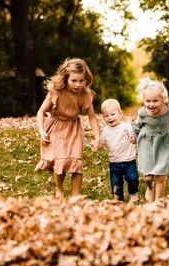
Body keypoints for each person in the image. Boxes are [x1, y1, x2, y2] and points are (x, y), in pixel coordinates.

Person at [35, 57, 101, 198]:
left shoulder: (85, 94)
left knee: (76, 159)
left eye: (81, 81)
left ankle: (76, 196)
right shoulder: (56, 91)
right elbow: (41, 112)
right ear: (66, 78)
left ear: (86, 79)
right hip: (57, 127)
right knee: (61, 160)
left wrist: (97, 137)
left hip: (73, 128)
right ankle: (59, 189)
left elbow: (92, 117)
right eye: (74, 81)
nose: (78, 85)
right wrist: (41, 130)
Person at [133, 77, 169, 202]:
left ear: (163, 99)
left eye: (155, 101)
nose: (151, 104)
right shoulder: (142, 113)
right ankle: (149, 188)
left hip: (164, 144)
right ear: (143, 100)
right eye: (148, 101)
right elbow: (136, 126)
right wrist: (133, 136)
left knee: (161, 176)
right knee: (148, 177)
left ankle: (158, 200)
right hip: (146, 143)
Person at [98, 97, 139, 201]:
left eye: (113, 114)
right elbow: (101, 143)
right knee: (116, 183)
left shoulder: (126, 126)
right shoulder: (105, 131)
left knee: (132, 179)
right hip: (114, 162)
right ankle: (118, 200)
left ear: (120, 114)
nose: (109, 118)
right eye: (106, 115)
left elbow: (133, 136)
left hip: (129, 160)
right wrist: (96, 144)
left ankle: (133, 192)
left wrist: (133, 138)